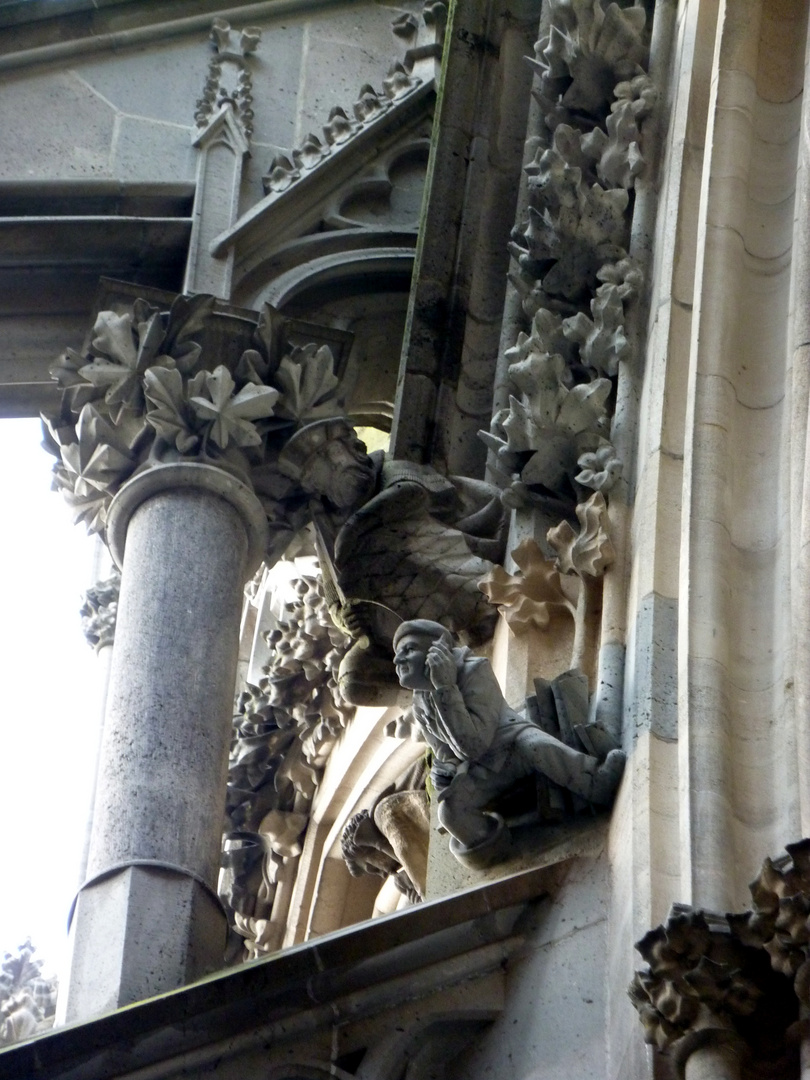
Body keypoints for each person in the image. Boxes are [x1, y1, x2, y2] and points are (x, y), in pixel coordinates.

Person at [277, 418, 506, 704]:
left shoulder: (389, 469)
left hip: (459, 552)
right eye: (315, 470)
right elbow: (335, 597)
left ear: (354, 448)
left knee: (389, 544)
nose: (329, 468)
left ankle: (477, 611)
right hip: (397, 622)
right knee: (353, 679)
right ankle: (432, 700)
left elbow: (415, 494)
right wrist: (346, 619)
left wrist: (356, 533)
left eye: (328, 455)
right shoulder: (327, 528)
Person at [392, 619, 626, 865]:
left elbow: (474, 743)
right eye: (397, 654)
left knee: (537, 746)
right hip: (480, 768)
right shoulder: (420, 702)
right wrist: (444, 771)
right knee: (450, 813)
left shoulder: (474, 670)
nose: (398, 661)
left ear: (438, 650)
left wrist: (446, 687)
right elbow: (445, 752)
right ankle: (496, 848)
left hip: (511, 745)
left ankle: (598, 781)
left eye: (409, 649)